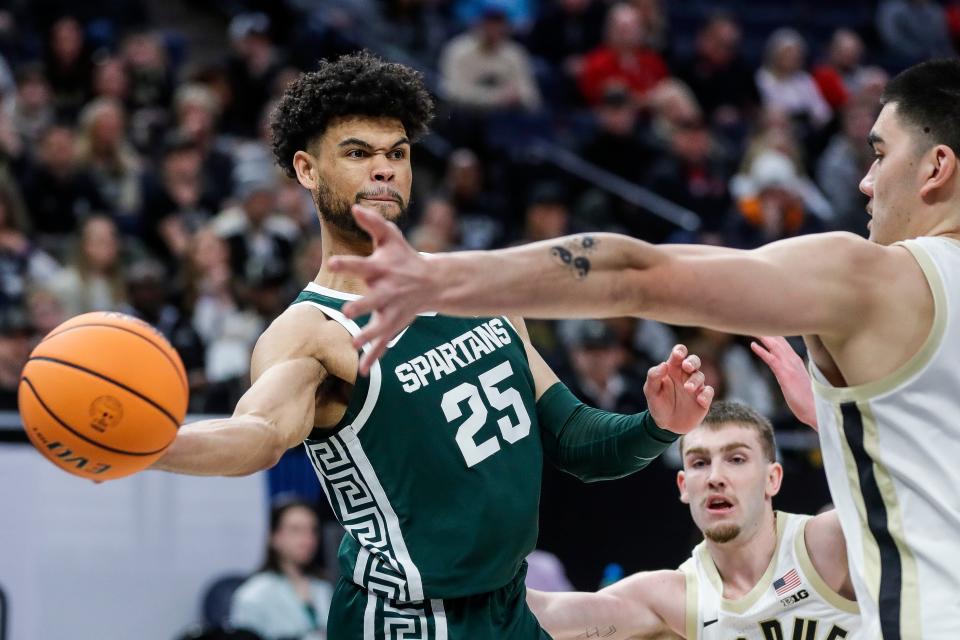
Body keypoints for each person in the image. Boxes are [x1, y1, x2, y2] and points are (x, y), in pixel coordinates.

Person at [329, 58, 960, 639]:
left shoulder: (875, 279)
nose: (865, 181)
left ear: (936, 166)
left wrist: (442, 279)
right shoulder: (678, 590)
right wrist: (835, 420)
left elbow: (637, 274)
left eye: (879, 155)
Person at [152, 51, 714, 639]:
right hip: (405, 621)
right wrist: (154, 445)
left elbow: (577, 441)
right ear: (306, 170)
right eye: (357, 152)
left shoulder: (475, 287)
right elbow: (259, 436)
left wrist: (657, 426)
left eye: (397, 153)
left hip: (508, 607)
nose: (384, 169)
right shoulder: (311, 331)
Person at [525, 401, 858, 639]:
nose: (715, 476)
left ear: (772, 478)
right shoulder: (671, 600)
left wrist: (824, 419)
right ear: (684, 486)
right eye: (699, 463)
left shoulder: (825, 544)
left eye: (736, 459)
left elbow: (901, 496)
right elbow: (544, 615)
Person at [230, 498, 334, 640]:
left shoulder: (324, 587)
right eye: (296, 530)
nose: (308, 539)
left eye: (312, 530)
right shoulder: (252, 595)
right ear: (274, 537)